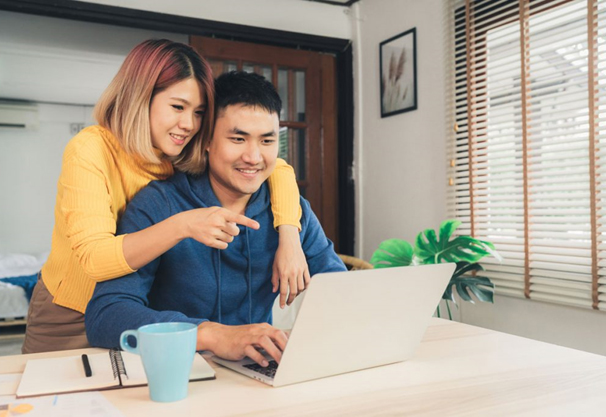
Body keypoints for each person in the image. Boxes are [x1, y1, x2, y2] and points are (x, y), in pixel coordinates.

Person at [22, 40, 308, 354]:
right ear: (140, 97)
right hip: (71, 309)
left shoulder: (176, 148)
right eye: (177, 107)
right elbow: (94, 260)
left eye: (199, 112)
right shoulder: (90, 150)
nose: (189, 124)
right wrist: (182, 225)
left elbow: (275, 167)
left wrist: (290, 236)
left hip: (135, 307)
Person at [85, 71, 346, 366]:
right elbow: (106, 315)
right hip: (176, 369)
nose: (254, 157)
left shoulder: (289, 210)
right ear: (206, 140)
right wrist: (211, 335)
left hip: (255, 369)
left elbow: (340, 291)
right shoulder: (158, 204)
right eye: (238, 138)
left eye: (267, 140)